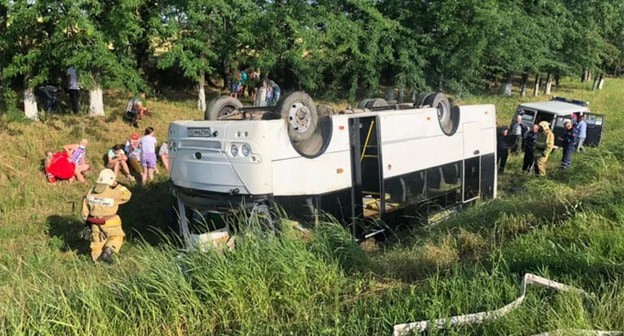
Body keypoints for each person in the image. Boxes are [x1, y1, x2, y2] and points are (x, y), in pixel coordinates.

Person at [81, 168, 132, 263]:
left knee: (97, 242)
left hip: (94, 222)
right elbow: (127, 195)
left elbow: (84, 210)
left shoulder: (90, 191)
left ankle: (97, 262)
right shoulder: (113, 192)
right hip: (110, 221)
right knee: (116, 236)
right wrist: (117, 186)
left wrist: (86, 220)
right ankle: (108, 250)